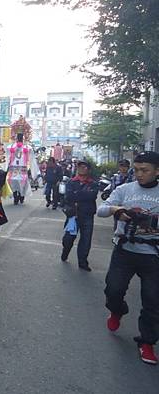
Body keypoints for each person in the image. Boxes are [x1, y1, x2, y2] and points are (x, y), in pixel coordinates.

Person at [97, 151, 159, 365]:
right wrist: (117, 210)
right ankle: (117, 310)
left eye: (145, 170)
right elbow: (101, 210)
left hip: (153, 255)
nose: (139, 174)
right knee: (113, 290)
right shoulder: (124, 189)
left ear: (157, 171)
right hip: (124, 250)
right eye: (137, 169)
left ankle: (147, 343)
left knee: (153, 301)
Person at [60, 160, 99, 271]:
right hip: (73, 214)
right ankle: (65, 252)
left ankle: (83, 262)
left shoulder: (93, 183)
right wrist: (82, 195)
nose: (82, 168)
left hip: (87, 215)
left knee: (86, 240)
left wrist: (77, 195)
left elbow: (92, 196)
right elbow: (68, 196)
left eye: (84, 167)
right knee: (68, 238)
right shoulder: (71, 182)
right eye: (80, 166)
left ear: (89, 169)